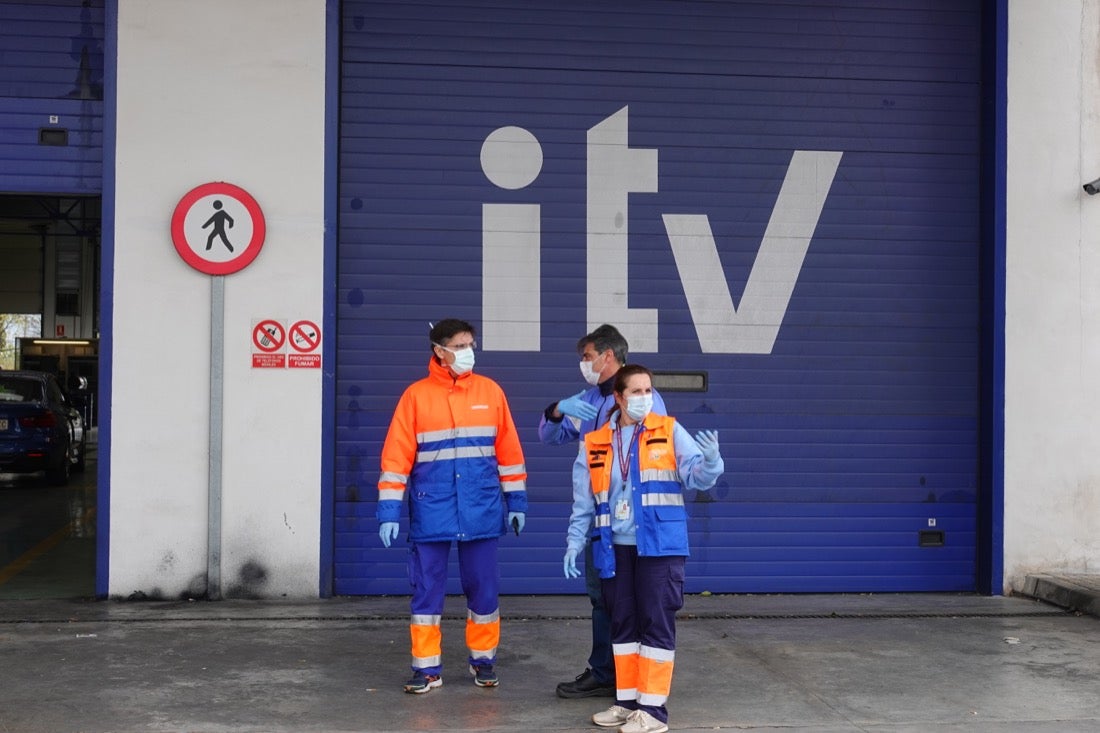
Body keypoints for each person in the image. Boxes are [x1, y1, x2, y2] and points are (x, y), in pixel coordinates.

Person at [564, 364, 723, 733]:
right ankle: (626, 701)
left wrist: (712, 462)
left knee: (656, 625)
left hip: (659, 548)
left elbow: (695, 474)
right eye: (636, 392)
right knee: (622, 625)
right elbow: (583, 501)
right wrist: (574, 541)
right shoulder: (596, 442)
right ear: (618, 398)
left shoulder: (667, 430)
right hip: (614, 549)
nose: (644, 398)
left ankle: (652, 712)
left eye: (648, 390)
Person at [377, 318, 528, 694]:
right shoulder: (415, 397)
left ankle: (484, 661)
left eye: (470, 344)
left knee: (484, 590)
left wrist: (517, 501)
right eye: (459, 346)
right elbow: (396, 458)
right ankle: (426, 669)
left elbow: (509, 453)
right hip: (433, 509)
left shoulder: (491, 392)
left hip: (481, 508)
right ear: (438, 351)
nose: (467, 352)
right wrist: (389, 510)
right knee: (427, 591)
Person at [538, 324, 666, 699]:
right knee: (602, 596)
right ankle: (606, 671)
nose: (584, 364)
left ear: (608, 356)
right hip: (600, 517)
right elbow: (550, 436)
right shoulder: (588, 400)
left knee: (635, 599)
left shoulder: (643, 399)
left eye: (587, 357)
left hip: (635, 522)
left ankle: (636, 678)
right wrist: (558, 410)